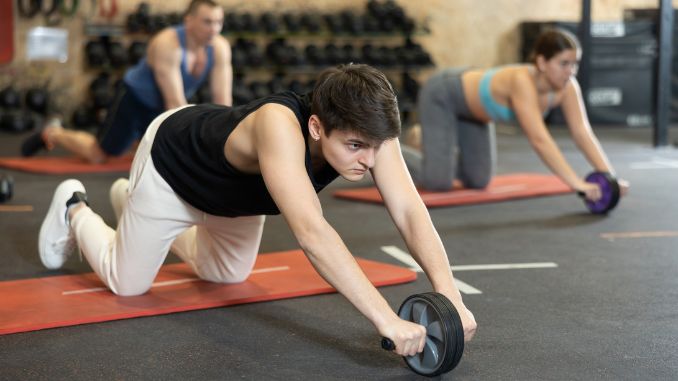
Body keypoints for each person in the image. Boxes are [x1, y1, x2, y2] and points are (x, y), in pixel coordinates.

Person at [38, 64, 476, 357]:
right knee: (127, 282)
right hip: (173, 168)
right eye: (356, 147)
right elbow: (311, 231)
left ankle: (130, 206)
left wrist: (450, 297)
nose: (369, 159)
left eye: (375, 147)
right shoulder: (278, 125)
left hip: (234, 201)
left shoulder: (372, 132)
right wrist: (387, 321)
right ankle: (76, 207)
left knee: (224, 275)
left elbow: (410, 212)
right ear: (317, 128)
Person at [401, 29, 629, 201]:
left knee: (478, 180)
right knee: (438, 182)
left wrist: (610, 177)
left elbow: (582, 132)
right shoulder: (522, 81)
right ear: (541, 62)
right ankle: (405, 149)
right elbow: (540, 140)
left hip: (475, 115)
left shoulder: (568, 87)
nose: (571, 71)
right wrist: (576, 183)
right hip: (444, 94)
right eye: (564, 63)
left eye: (574, 64)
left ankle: (433, 145)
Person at [21, 0, 232, 164]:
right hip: (135, 100)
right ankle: (53, 132)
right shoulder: (167, 44)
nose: (214, 29)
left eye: (218, 22)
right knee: (99, 155)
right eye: (207, 22)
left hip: (163, 105)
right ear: (188, 20)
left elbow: (223, 102)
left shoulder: (220, 48)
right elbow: (175, 104)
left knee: (157, 156)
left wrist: (223, 144)